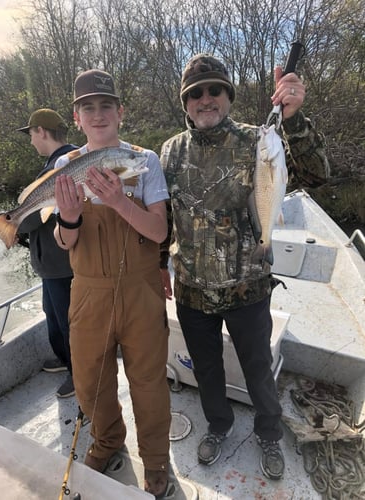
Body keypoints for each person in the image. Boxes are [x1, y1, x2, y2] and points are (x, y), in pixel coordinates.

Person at [159, 54, 330, 480]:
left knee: (258, 371)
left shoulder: (260, 141)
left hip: (247, 289)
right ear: (186, 103)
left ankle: (268, 433)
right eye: (196, 93)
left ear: (228, 96)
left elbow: (317, 173)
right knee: (207, 370)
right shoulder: (170, 152)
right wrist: (160, 262)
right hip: (193, 292)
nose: (206, 99)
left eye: (215, 90)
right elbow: (162, 218)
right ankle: (219, 426)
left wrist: (293, 119)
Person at [52, 69, 171, 498]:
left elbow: (159, 232)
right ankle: (107, 440)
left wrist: (120, 200)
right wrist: (68, 216)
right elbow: (65, 241)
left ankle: (157, 459)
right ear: (77, 117)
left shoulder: (146, 160)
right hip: (89, 292)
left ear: (120, 112)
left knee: (149, 380)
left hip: (141, 290)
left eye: (106, 106)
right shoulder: (65, 167)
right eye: (88, 107)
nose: (98, 114)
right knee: (89, 378)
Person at [17, 109, 78, 398]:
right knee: (52, 316)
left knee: (70, 323)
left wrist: (10, 221)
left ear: (41, 131)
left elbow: (35, 216)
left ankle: (79, 375)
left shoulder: (66, 166)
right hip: (49, 265)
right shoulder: (53, 164)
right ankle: (66, 360)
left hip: (64, 266)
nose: (31, 142)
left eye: (31, 134)